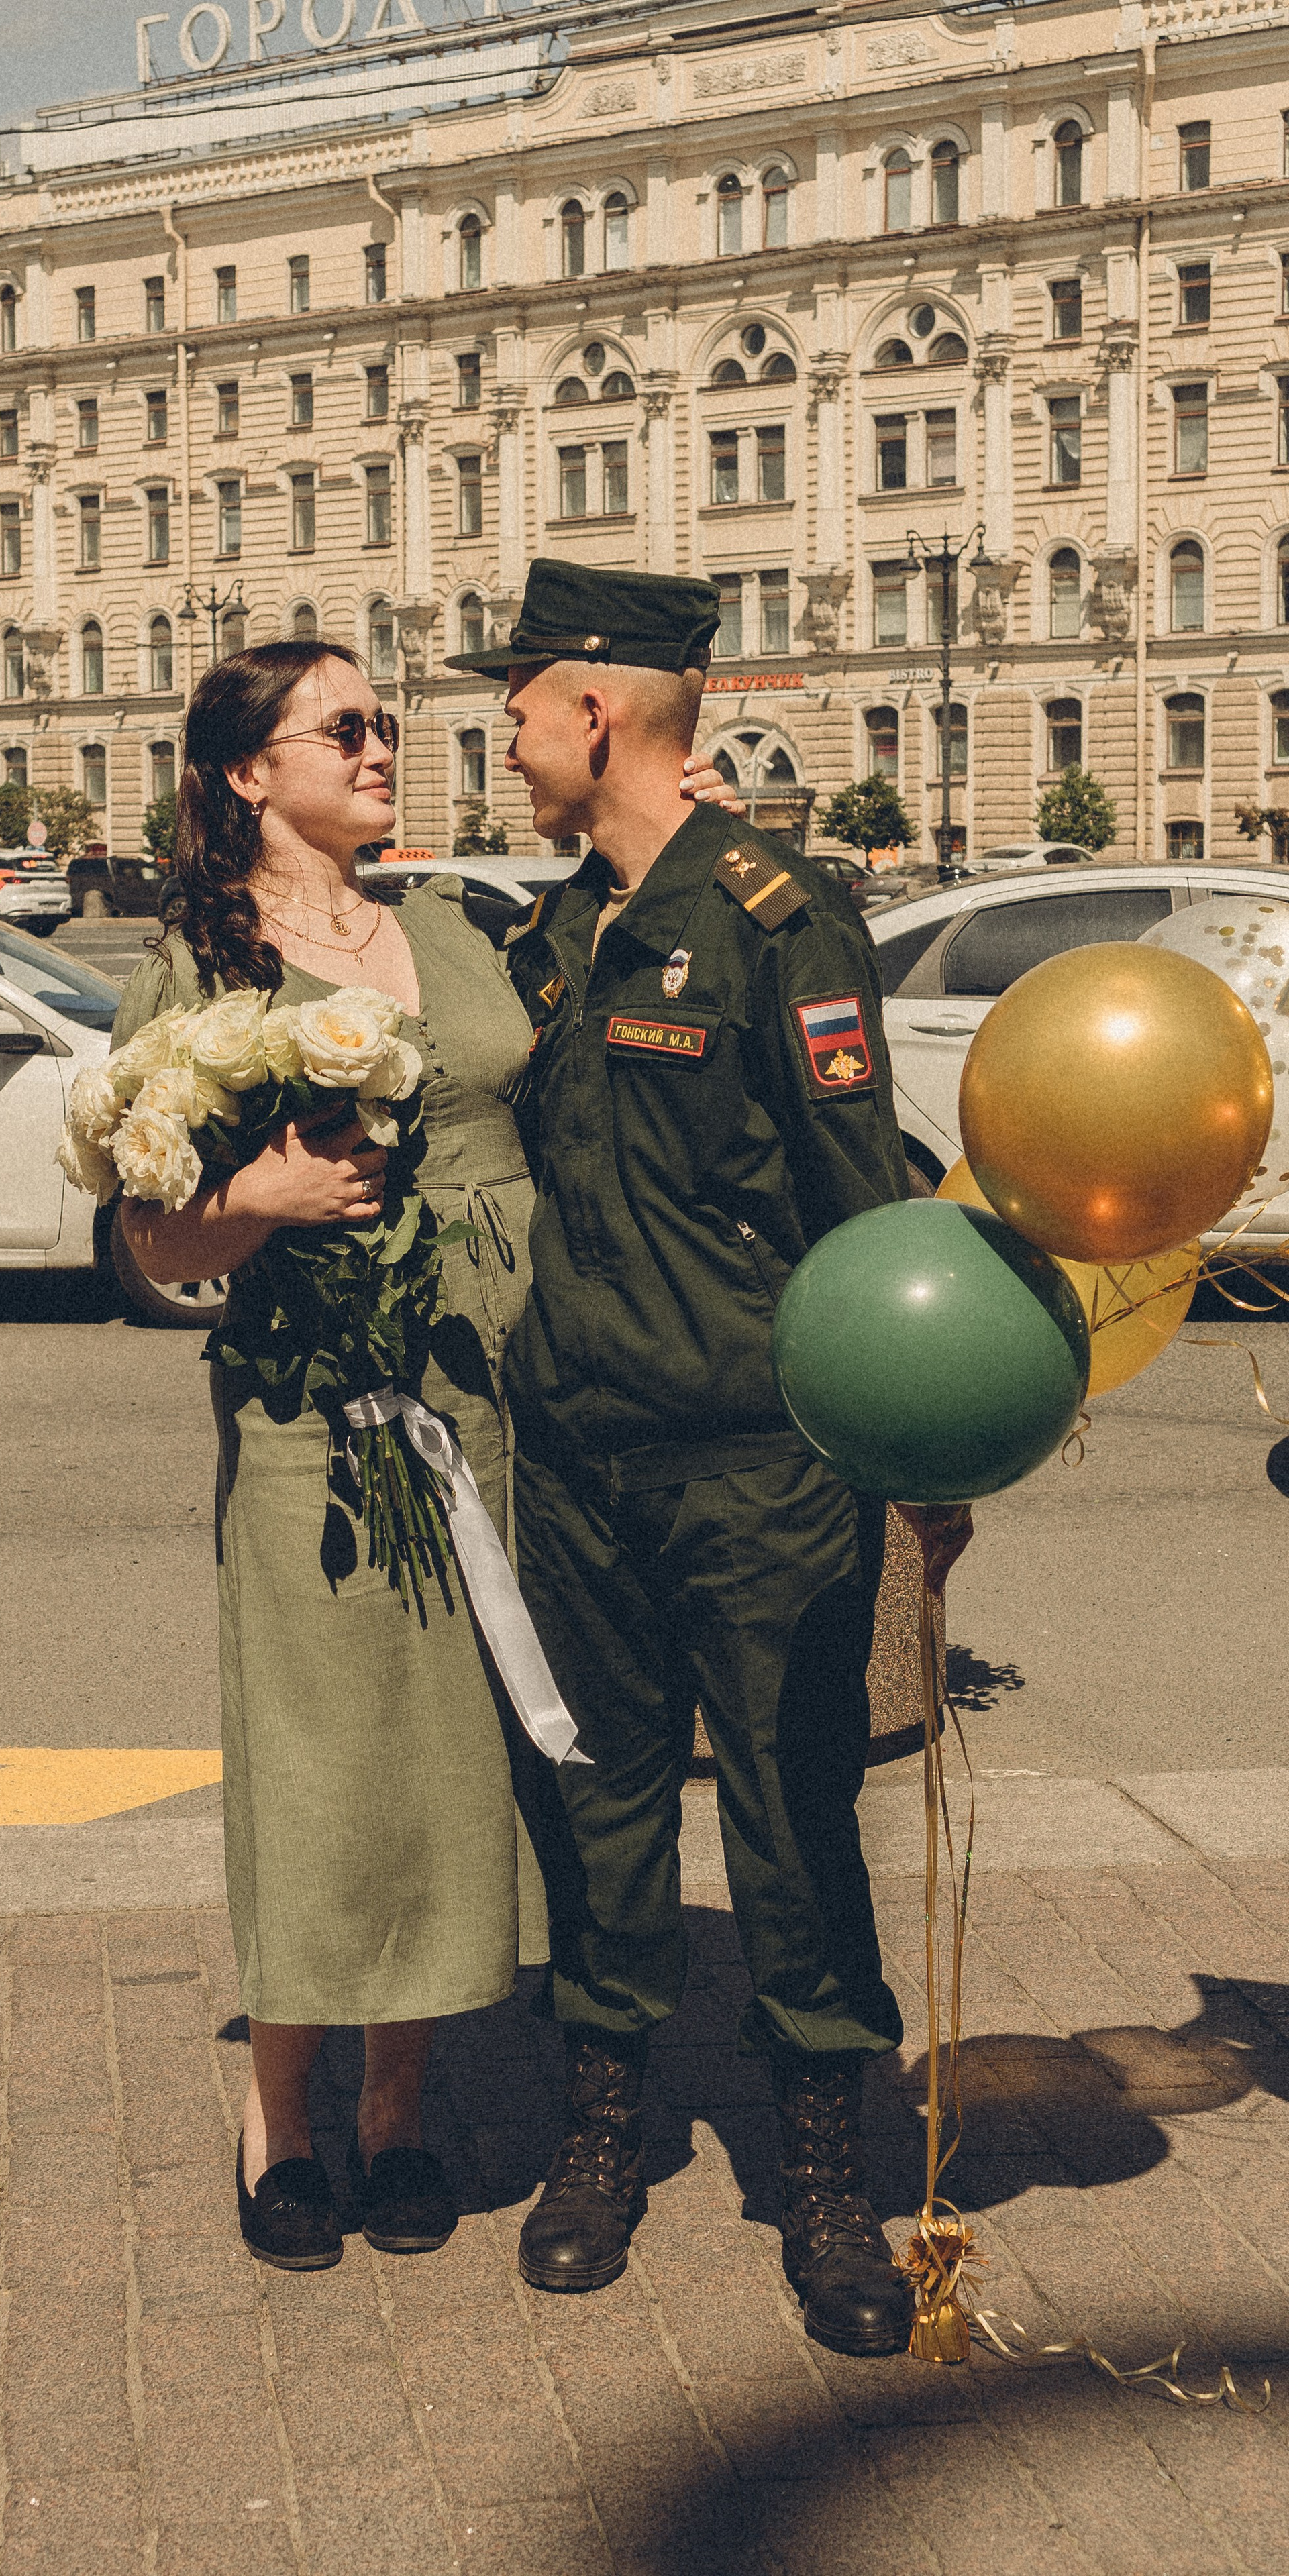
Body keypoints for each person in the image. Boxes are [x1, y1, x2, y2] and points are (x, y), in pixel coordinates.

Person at [446, 561, 918, 2355]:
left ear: (597, 712)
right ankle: (603, 2139)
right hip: (577, 1456)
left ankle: (826, 2176)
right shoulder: (554, 933)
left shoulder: (779, 920)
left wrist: (907, 1450)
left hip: (755, 1465)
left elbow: (859, 1207)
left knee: (795, 1821)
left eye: (518, 708)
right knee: (594, 1806)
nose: (502, 738)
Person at [109, 639, 546, 2273]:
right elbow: (151, 1240)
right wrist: (261, 1201)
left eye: (385, 723)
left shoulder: (453, 926)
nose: (379, 747)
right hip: (317, 1412)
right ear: (247, 772)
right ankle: (280, 2123)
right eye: (343, 727)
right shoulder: (197, 968)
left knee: (446, 1757)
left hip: (492, 1397)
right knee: (319, 1761)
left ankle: (397, 2114)